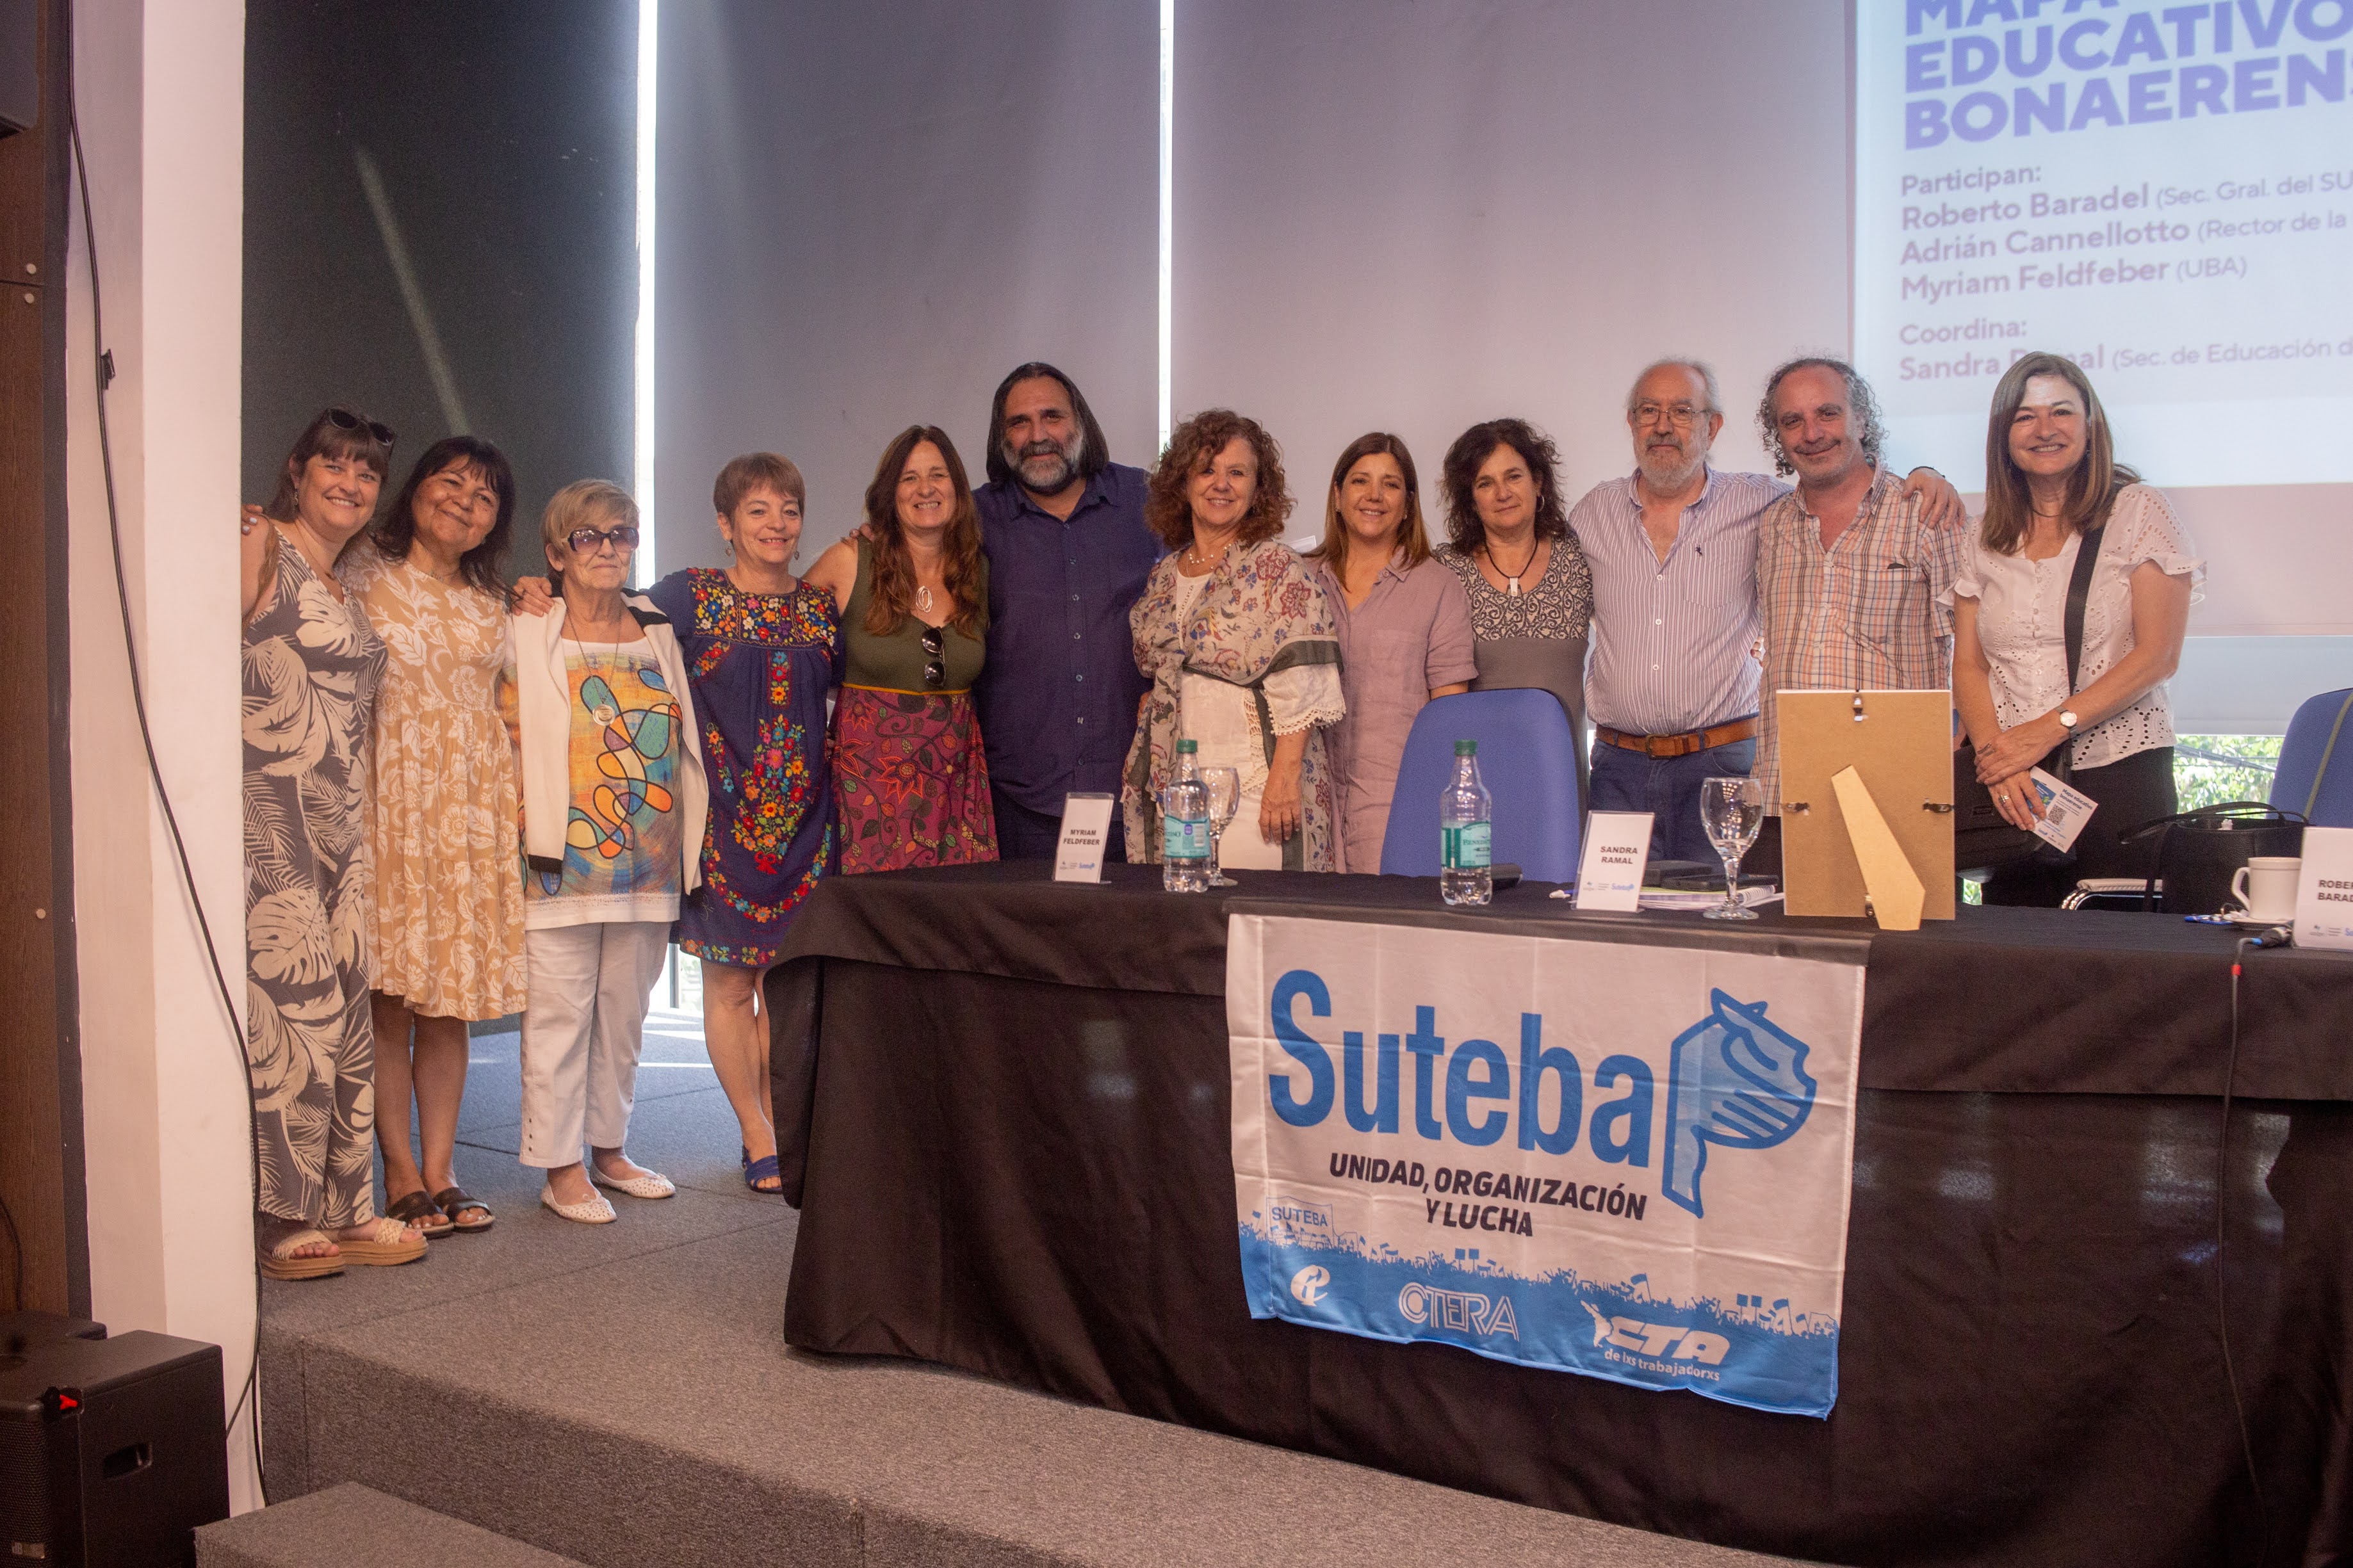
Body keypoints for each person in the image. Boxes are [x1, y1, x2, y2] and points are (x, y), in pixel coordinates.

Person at [517, 453, 840, 1198]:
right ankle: (734, 1139)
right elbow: (584, 611)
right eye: (756, 510)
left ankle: (667, 1143)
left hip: (763, 833)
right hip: (686, 833)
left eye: (788, 509)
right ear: (725, 523)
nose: (775, 523)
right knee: (697, 991)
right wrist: (527, 587)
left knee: (740, 997)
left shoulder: (806, 611)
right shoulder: (681, 599)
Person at [1568, 360, 1965, 863]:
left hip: (1732, 765)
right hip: (1624, 771)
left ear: (1713, 426)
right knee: (1618, 910)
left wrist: (1931, 475)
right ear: (1632, 422)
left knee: (1729, 908)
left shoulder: (1764, 506)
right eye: (1650, 410)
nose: (1664, 425)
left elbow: (1974, 645)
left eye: (1683, 411)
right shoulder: (1594, 514)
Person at [238, 407, 427, 1279]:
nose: (350, 483)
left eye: (367, 473)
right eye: (335, 465)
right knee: (290, 1014)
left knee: (345, 1010)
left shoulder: (346, 579)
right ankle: (280, 1215)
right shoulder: (256, 544)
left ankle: (346, 1204)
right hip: (268, 816)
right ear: (297, 470)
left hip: (341, 823)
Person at [340, 436, 527, 1240]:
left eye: (484, 497)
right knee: (389, 998)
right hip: (387, 800)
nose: (464, 502)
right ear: (415, 489)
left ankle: (444, 1170)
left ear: (494, 523)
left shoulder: (498, 604)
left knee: (449, 1002)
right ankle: (400, 1172)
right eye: (451, 482)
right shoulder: (360, 569)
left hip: (467, 812)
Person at [512, 481, 708, 1222]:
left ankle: (609, 1149)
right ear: (556, 552)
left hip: (648, 861)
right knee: (559, 1017)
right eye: (587, 536)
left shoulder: (656, 625)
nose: (607, 548)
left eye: (620, 533)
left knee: (624, 1017)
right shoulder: (527, 625)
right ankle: (559, 1167)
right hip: (560, 862)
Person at [1953, 353, 2199, 905]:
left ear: (2091, 425)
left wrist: (2047, 730)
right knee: (2013, 949)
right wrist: (1996, 758)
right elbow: (1968, 664)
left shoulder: (2139, 511)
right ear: (2003, 436)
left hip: (2119, 775)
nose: (2045, 429)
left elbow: (2159, 655)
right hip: (2015, 785)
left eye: (2061, 411)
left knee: (2118, 948)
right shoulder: (1980, 535)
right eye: (2025, 416)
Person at [1750, 357, 1967, 873]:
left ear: (1862, 419)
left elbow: (1976, 650)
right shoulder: (1771, 526)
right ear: (1778, 435)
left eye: (1828, 413)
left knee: (1900, 931)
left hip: (1892, 799)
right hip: (1782, 794)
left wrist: (1954, 752)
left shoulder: (1926, 515)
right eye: (1793, 421)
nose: (1812, 434)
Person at [1122, 409, 1345, 871]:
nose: (1220, 484)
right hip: (1178, 786)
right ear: (1183, 484)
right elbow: (1166, 668)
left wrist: (1283, 782)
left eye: (1237, 473)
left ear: (1258, 489)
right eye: (1207, 470)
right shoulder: (1163, 575)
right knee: (1186, 907)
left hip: (1256, 789)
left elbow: (1305, 687)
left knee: (1254, 908)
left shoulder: (1277, 568)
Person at [971, 364, 1164, 861]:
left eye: (1052, 416)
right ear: (1001, 436)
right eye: (1019, 422)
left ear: (1080, 422)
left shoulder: (1148, 502)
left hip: (1136, 789)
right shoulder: (971, 519)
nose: (1038, 435)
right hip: (1019, 799)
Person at [804, 426, 998, 871]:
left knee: (957, 912)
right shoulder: (849, 561)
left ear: (958, 489)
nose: (925, 489)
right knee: (875, 912)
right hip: (867, 793)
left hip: (958, 789)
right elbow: (785, 654)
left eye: (938, 475)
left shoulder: (978, 571)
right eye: (909, 478)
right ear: (890, 493)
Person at [1302, 433, 1474, 873]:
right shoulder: (1297, 581)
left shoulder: (1439, 588)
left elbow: (1448, 720)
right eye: (1360, 481)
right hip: (1304, 805)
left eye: (1391, 484)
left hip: (1396, 810)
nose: (1374, 495)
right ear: (1338, 495)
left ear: (1408, 503)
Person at [1433, 419, 1595, 799]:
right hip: (1476, 784)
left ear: (1538, 482)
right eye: (1485, 483)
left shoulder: (1579, 555)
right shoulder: (1444, 570)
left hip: (1561, 780)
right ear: (1470, 498)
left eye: (1513, 477)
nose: (1502, 493)